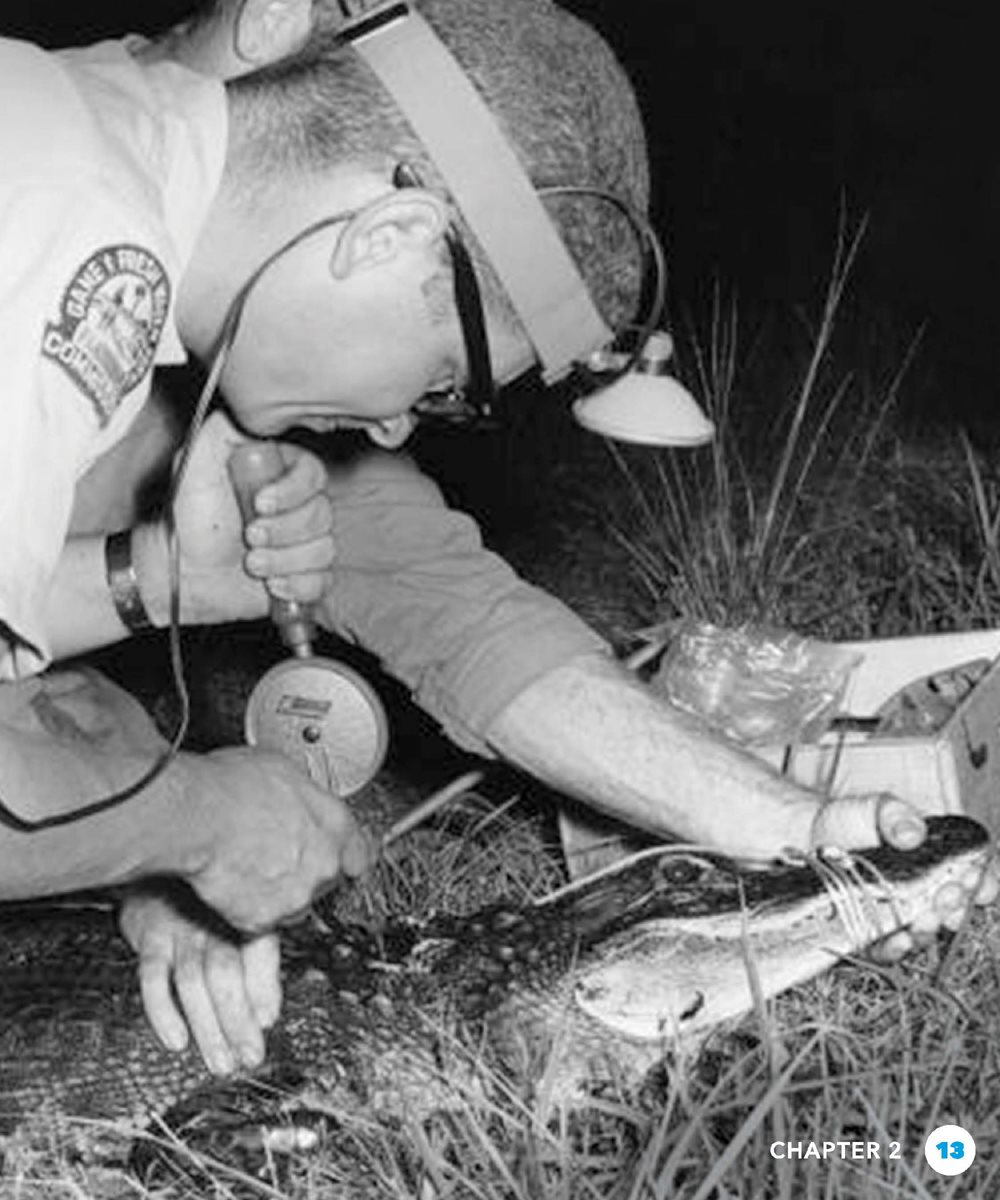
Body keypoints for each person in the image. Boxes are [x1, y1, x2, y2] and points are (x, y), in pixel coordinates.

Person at [1, 0, 991, 1082]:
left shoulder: (106, 144)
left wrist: (799, 828)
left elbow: (460, 616)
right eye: (441, 386)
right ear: (392, 239)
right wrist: (193, 825)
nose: (391, 429)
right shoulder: (69, 233)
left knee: (96, 722)